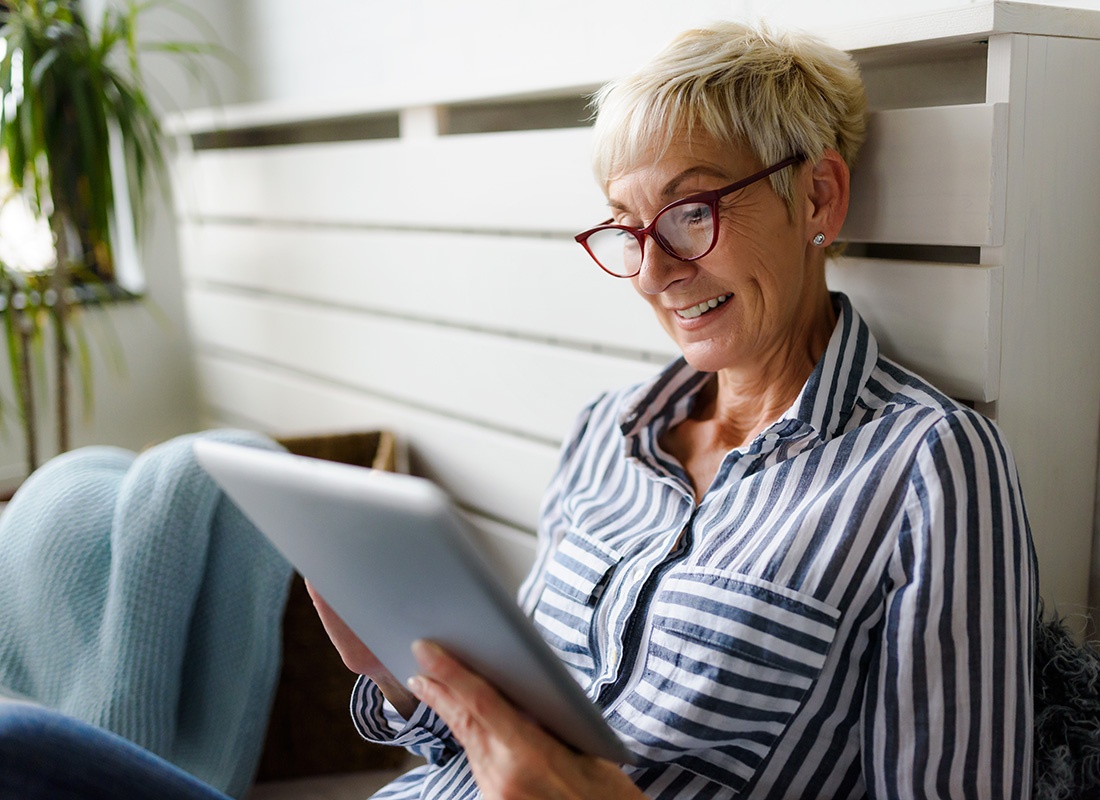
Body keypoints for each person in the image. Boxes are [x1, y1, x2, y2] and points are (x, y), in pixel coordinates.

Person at [0, 20, 1036, 800]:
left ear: (817, 198)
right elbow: (488, 749)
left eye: (689, 210)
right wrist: (404, 680)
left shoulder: (929, 467)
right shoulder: (606, 436)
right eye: (628, 231)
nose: (656, 271)